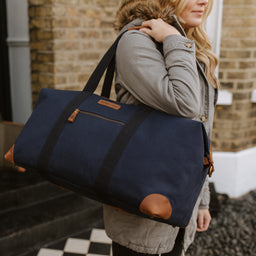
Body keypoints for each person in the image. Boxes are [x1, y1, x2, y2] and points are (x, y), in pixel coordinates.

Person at [104, 0, 219, 255]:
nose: (204, 1)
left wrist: (202, 201)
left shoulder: (189, 45)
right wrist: (173, 39)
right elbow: (186, 103)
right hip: (143, 207)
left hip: (180, 199)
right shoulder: (137, 40)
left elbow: (200, 132)